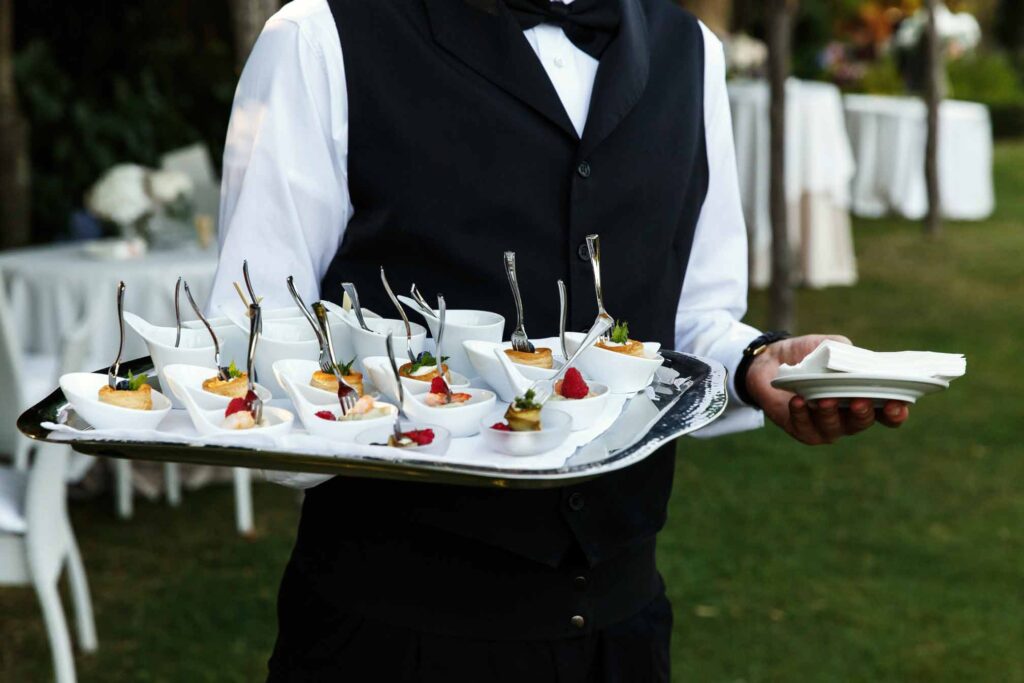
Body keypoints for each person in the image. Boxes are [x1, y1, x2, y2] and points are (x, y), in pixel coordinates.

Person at [208, 0, 910, 680]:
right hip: (393, 632)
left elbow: (693, 319)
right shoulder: (318, 36)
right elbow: (256, 343)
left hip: (621, 629)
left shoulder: (690, 53)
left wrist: (758, 364)